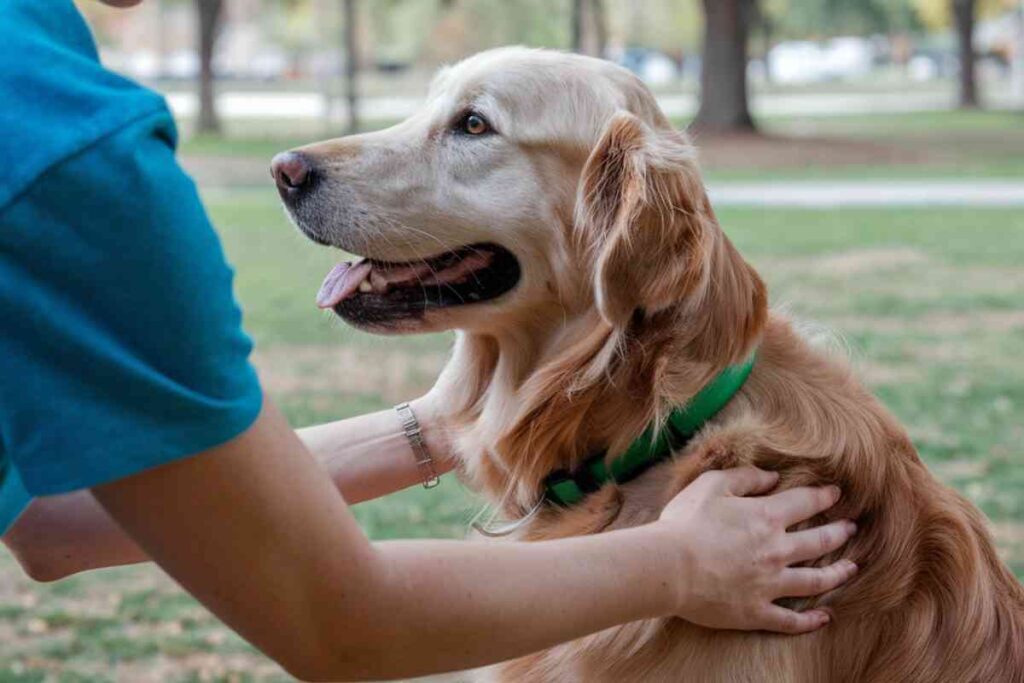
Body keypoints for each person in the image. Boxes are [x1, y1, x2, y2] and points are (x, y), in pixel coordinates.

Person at [0, 1, 858, 680]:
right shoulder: (63, 149)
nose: (308, 166)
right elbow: (336, 619)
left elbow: (50, 517)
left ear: (625, 236)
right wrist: (678, 563)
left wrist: (444, 423)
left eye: (471, 128)